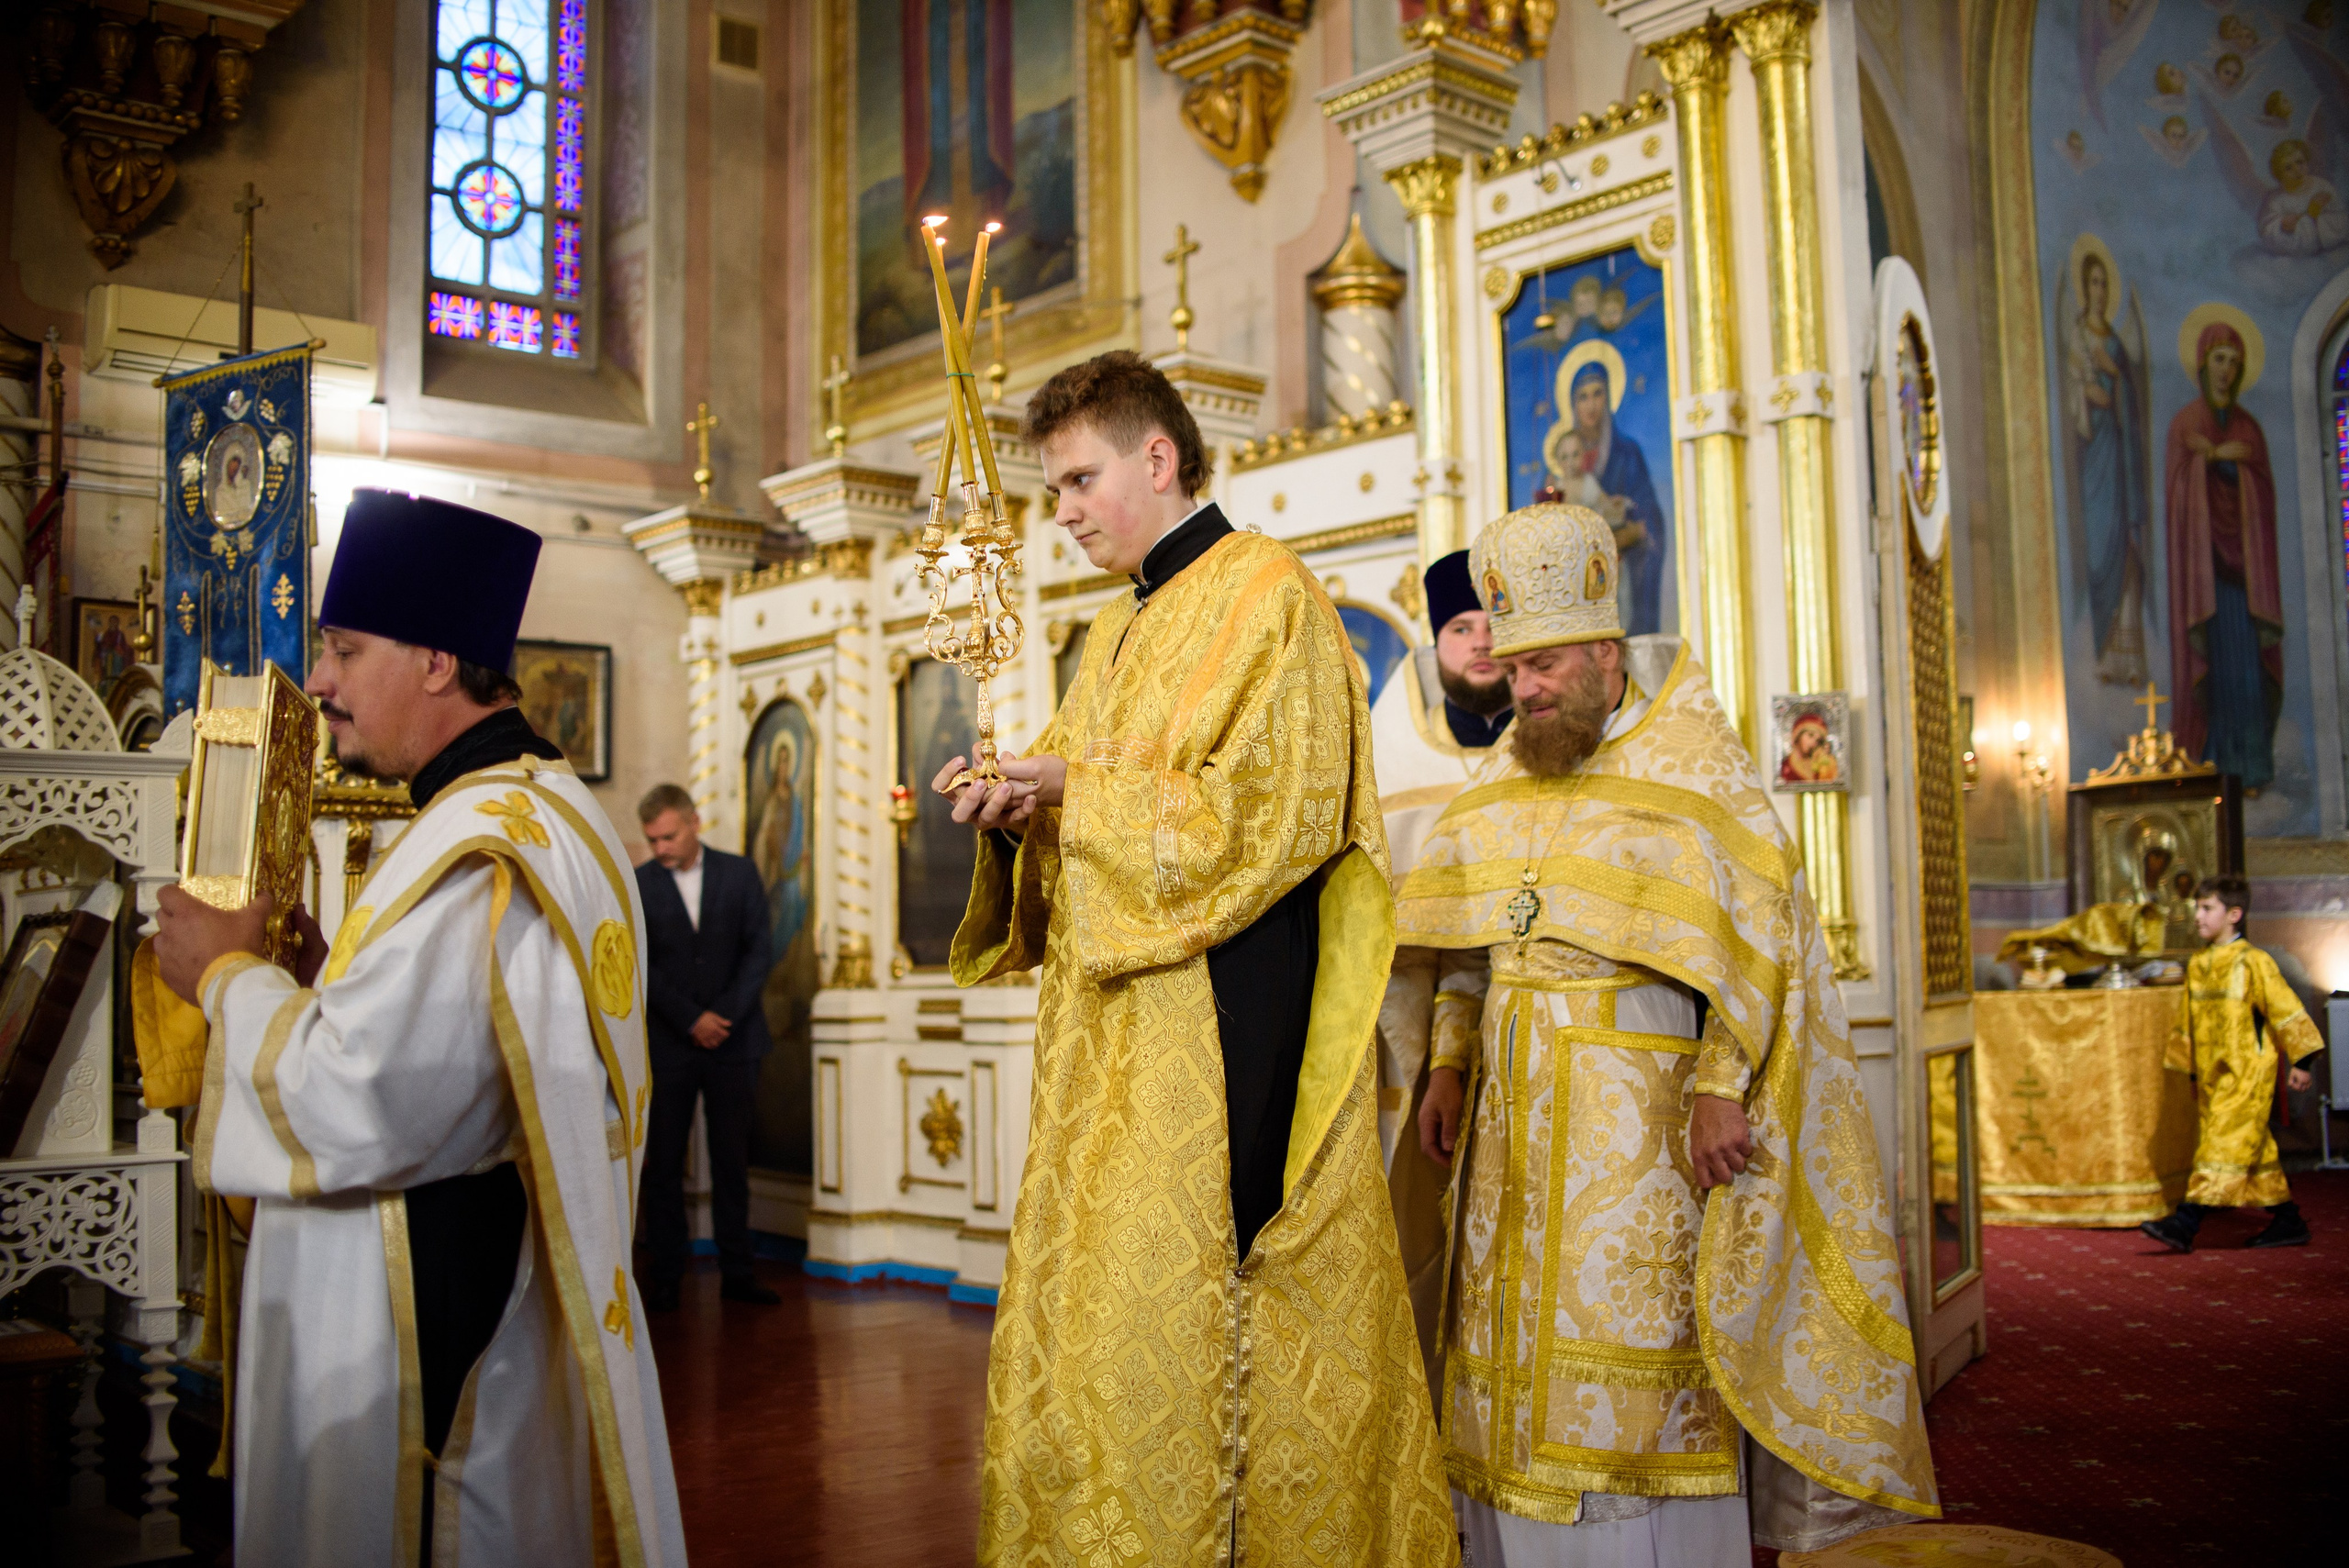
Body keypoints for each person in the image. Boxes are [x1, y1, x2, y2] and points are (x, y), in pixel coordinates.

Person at [936, 350, 1454, 1562]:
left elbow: (1272, 822)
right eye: (1054, 488)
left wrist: (1077, 790)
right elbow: (1084, 809)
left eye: (1077, 479)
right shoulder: (1116, 634)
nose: (1060, 511)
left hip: (1225, 1034)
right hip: (1115, 1050)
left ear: (1156, 458)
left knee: (1222, 1316)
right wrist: (1019, 809)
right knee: (1118, 1320)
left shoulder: (1267, 595)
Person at [1394, 503, 1939, 1562]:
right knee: (1508, 1365)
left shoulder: (1695, 763)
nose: (1526, 689)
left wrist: (1720, 1083)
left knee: (1631, 1368)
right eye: (1511, 670)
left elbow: (1758, 943)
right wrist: (1449, 1061)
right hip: (1507, 1136)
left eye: (1544, 664)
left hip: (1636, 1129)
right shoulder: (1506, 771)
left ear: (1603, 650)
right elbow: (1464, 937)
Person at [150, 489, 685, 1567]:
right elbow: (447, 1044)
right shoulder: (547, 803)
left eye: (346, 649)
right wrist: (308, 979)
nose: (323, 685)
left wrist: (224, 975)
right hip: (484, 1281)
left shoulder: (479, 848)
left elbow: (362, 1099)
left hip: (421, 1321)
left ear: (438, 660)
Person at [1366, 549, 1512, 1383]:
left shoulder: (1546, 736)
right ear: (1435, 638)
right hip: (1414, 1039)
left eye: (1497, 624)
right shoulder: (1396, 746)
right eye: (1462, 627)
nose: (1482, 643)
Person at [635, 782, 779, 1310]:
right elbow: (638, 963)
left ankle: (739, 1274)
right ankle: (667, 1274)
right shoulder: (639, 884)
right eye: (653, 841)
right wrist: (691, 1018)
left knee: (731, 1163)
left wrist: (723, 1016)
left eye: (669, 837)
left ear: (694, 823)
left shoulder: (739, 873)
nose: (661, 849)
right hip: (671, 1045)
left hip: (735, 1042)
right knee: (665, 1164)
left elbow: (759, 949)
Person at [2141, 873, 2324, 1252]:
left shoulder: (2253, 962)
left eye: (2207, 908)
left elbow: (2285, 1010)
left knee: (2220, 1144)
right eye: (2197, 908)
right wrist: (2191, 1071)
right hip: (2212, 1076)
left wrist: (2302, 1061)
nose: (2198, 916)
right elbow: (2188, 1023)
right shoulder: (2199, 964)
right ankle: (2288, 1221)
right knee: (2250, 1149)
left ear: (2234, 914)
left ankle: (2185, 1222)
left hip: (2247, 1076)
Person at [2165, 319, 2283, 794]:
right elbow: (2176, 500)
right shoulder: (2185, 426)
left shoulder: (2248, 429)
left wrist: (2234, 464)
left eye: (2235, 363)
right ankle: (2212, 767)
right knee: (2213, 672)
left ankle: (2250, 768)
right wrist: (2205, 463)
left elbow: (2263, 500)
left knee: (2247, 676)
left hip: (2244, 579)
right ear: (2202, 363)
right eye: (2219, 360)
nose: (2227, 372)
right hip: (2205, 577)